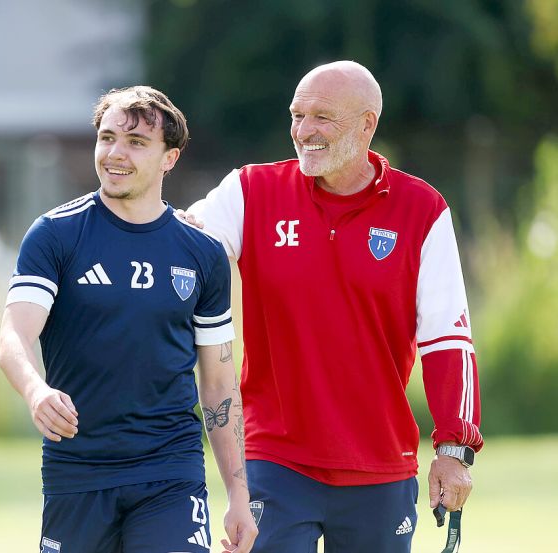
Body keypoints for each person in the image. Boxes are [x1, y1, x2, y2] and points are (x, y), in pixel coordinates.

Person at [187, 61, 482, 553]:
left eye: (322, 117)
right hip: (273, 458)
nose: (304, 131)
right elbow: (188, 245)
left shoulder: (423, 210)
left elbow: (448, 340)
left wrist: (454, 448)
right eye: (297, 116)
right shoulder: (251, 190)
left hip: (380, 463)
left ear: (368, 123)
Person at [0, 86, 258, 553]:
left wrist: (239, 493)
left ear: (169, 158)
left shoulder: (202, 254)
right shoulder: (56, 234)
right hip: (77, 470)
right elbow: (14, 334)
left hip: (170, 471)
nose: (116, 153)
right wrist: (35, 390)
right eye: (107, 137)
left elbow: (218, 383)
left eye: (136, 142)